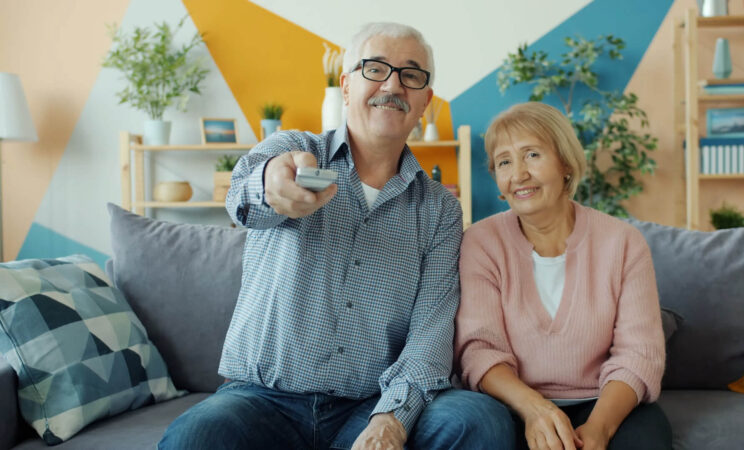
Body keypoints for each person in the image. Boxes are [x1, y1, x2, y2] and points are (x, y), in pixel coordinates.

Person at [159, 22, 513, 450]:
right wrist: (273, 185)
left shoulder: (440, 209)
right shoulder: (291, 149)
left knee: (481, 421)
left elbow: (430, 333)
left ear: (424, 101)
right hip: (261, 401)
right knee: (193, 438)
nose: (393, 85)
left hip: (371, 402)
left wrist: (392, 420)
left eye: (411, 75)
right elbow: (244, 195)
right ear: (346, 86)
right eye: (376, 68)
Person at [454, 102, 672, 450]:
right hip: (513, 405)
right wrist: (534, 409)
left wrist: (598, 429)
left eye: (532, 155)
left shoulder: (623, 242)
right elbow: (480, 351)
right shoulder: (480, 243)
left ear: (565, 164)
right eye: (505, 162)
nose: (519, 174)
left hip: (602, 402)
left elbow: (639, 354)